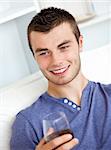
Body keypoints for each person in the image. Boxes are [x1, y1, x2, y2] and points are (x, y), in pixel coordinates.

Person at [10, 7, 111, 150]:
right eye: (44, 52)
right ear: (34, 57)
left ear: (80, 43)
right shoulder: (28, 123)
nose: (56, 61)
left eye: (63, 47)